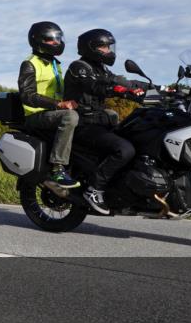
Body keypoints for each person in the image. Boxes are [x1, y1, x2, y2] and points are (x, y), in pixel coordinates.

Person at [63, 28, 148, 214]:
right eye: (104, 47)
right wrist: (122, 91)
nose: (109, 51)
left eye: (109, 47)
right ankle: (94, 189)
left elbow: (123, 81)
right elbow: (95, 86)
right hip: (83, 124)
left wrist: (159, 88)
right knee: (124, 149)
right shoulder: (79, 67)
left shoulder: (101, 68)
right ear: (91, 48)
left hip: (99, 122)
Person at [18, 21, 80, 189]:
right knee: (70, 117)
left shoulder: (55, 64)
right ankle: (57, 168)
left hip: (53, 113)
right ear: (38, 40)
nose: (56, 42)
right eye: (51, 39)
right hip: (36, 115)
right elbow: (27, 95)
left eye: (58, 38)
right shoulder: (30, 64)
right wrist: (58, 104)